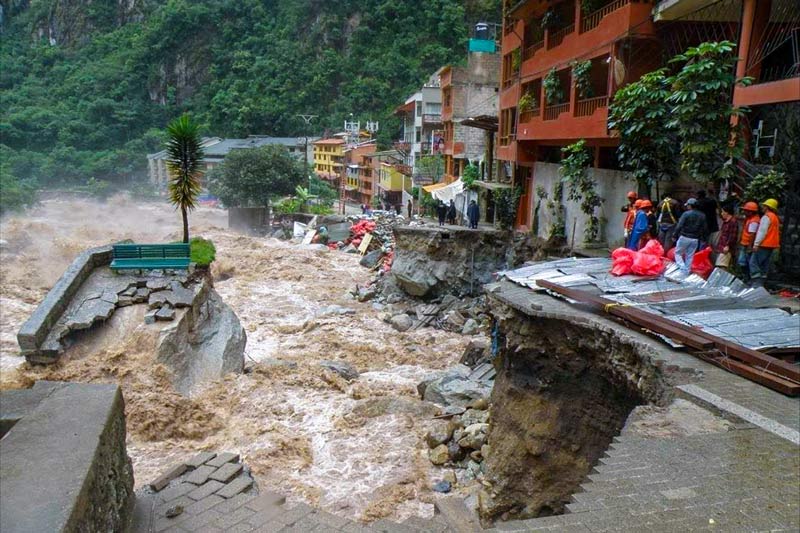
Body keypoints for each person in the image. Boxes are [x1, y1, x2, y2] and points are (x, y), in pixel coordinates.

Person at [749, 198, 781, 286]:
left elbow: (762, 231)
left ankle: (756, 284)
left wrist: (756, 244)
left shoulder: (766, 217)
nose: (762, 207)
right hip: (771, 245)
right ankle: (761, 284)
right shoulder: (775, 217)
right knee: (764, 264)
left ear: (767, 207)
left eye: (764, 206)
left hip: (764, 244)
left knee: (753, 263)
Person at [672, 198, 708, 275]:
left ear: (690, 205)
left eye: (687, 205)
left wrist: (674, 235)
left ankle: (683, 269)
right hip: (695, 239)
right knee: (690, 256)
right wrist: (704, 238)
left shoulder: (686, 214)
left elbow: (679, 226)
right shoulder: (702, 215)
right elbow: (704, 228)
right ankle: (686, 272)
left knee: (678, 253)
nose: (687, 207)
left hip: (684, 236)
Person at [737, 201, 760, 281]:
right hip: (745, 244)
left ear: (751, 212)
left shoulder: (753, 221)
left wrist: (749, 247)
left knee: (745, 262)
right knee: (743, 262)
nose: (744, 212)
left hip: (747, 245)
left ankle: (748, 278)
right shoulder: (750, 219)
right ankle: (746, 277)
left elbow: (752, 234)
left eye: (746, 210)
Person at [714, 205, 738, 271]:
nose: (722, 213)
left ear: (727, 212)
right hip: (722, 246)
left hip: (726, 248)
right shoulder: (726, 222)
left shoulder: (733, 222)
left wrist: (728, 245)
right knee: (720, 265)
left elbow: (733, 235)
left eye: (723, 212)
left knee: (722, 265)